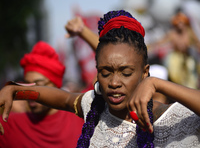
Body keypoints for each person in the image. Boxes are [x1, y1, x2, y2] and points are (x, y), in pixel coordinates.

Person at [0, 10, 200, 147]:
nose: (114, 82)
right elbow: (63, 98)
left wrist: (158, 84)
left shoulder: (174, 120)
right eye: (105, 73)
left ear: (145, 72)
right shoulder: (94, 107)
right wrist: (15, 90)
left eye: (126, 73)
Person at [0, 41, 84, 148]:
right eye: (26, 85)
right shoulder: (10, 125)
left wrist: (82, 31)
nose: (29, 93)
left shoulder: (81, 114)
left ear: (55, 86)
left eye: (38, 86)